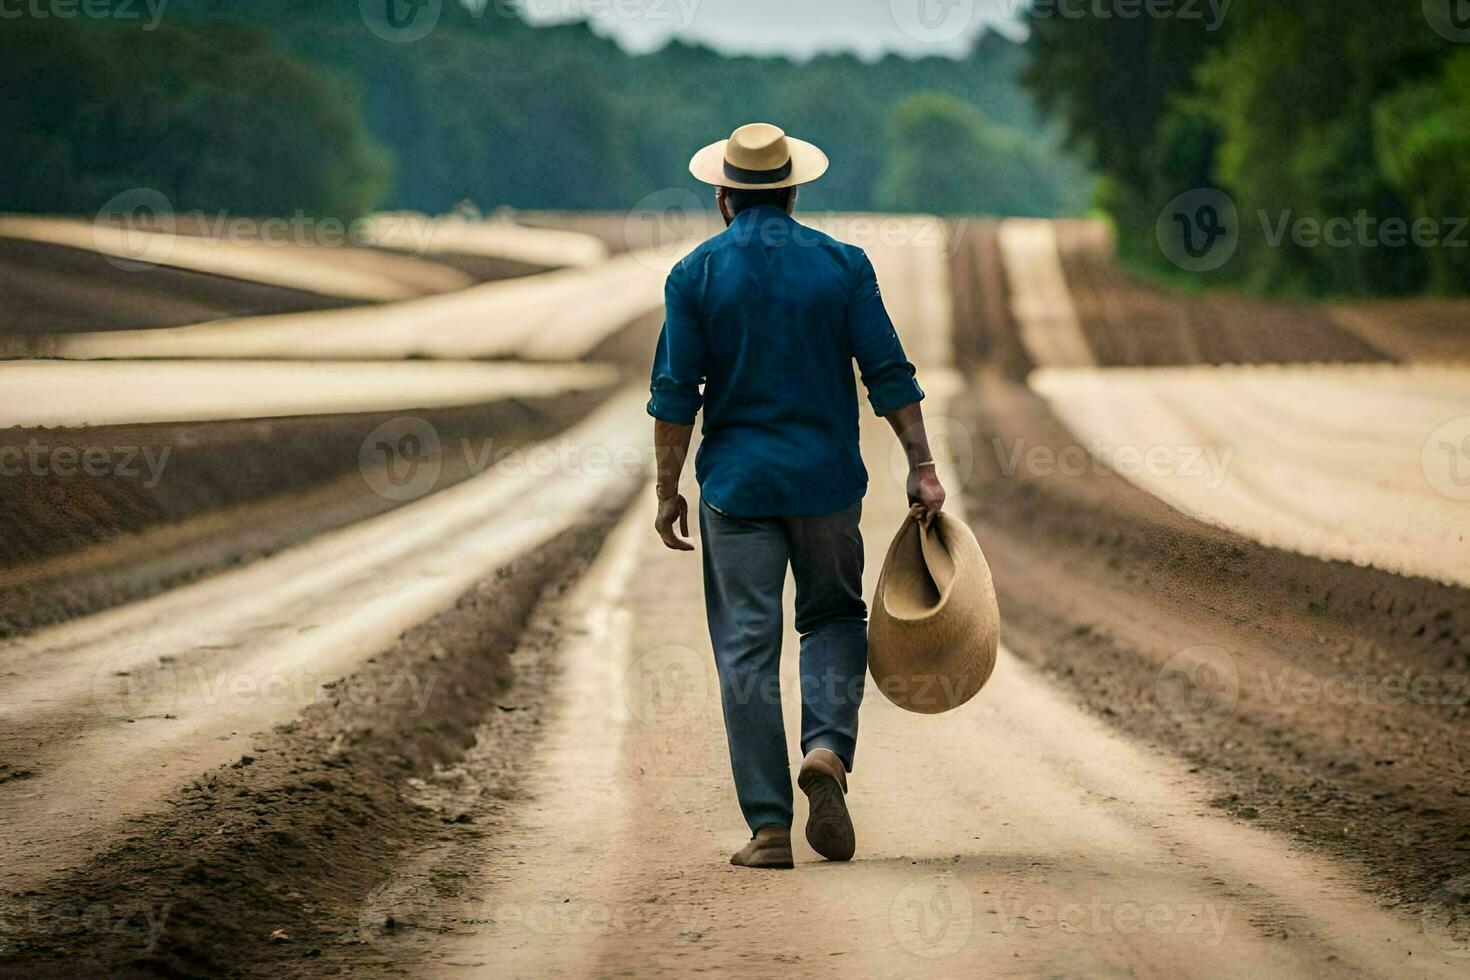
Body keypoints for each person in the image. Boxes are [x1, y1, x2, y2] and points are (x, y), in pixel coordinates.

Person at [647, 123, 945, 869]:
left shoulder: (695, 275)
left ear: (723, 197)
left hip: (736, 491)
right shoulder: (842, 266)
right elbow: (890, 374)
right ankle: (826, 752)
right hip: (826, 485)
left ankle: (770, 829)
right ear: (792, 190)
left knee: (746, 649)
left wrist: (666, 489)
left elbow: (675, 396)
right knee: (834, 617)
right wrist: (923, 465)